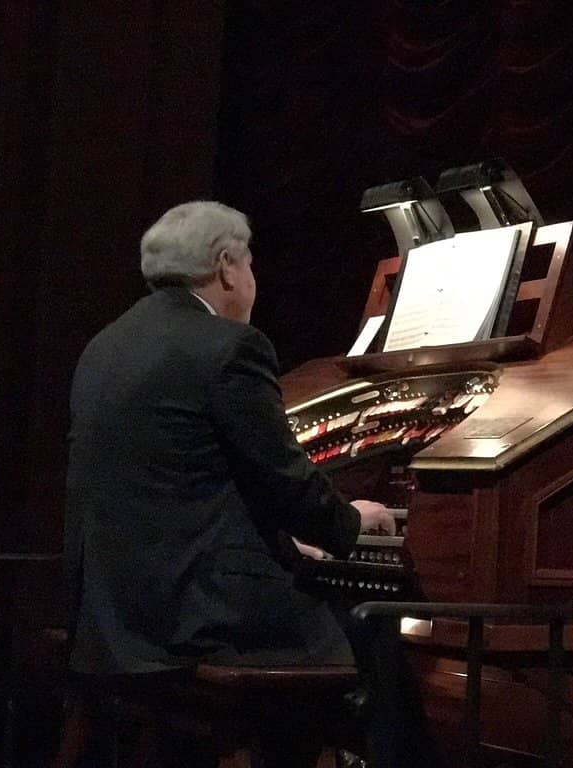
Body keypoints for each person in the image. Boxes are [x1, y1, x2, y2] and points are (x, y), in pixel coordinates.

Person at [62, 200, 398, 765]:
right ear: (226, 266)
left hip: (113, 610)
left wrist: (272, 536)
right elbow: (285, 479)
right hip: (193, 613)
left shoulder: (105, 346)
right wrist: (348, 521)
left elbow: (178, 482)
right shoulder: (228, 346)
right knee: (378, 639)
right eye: (249, 267)